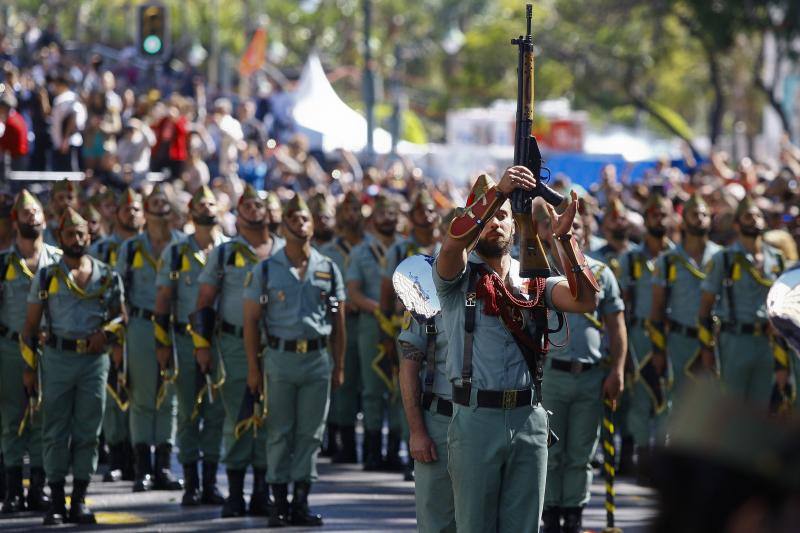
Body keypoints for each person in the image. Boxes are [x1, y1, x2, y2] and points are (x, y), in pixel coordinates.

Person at [434, 167, 599, 533]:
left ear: (514, 225)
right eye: (488, 218)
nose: (495, 223)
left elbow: (585, 300)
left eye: (503, 217)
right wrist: (499, 194)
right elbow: (452, 244)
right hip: (477, 417)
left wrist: (566, 240)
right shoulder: (456, 276)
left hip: (529, 416)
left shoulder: (532, 279)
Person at [243, 193, 346, 527]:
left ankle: (301, 500)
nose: (300, 224)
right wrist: (254, 368)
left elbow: (339, 322)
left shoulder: (327, 268)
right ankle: (279, 502)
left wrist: (339, 364)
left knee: (311, 433)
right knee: (279, 431)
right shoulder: (266, 269)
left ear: (313, 226)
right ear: (283, 226)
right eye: (293, 219)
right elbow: (251, 321)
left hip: (317, 358)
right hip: (280, 358)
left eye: (305, 219)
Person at [21, 207, 125, 525]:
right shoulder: (48, 276)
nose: (76, 239)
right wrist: (28, 369)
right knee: (54, 430)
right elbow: (30, 326)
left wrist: (105, 334)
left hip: (94, 361)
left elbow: (121, 317)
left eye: (81, 234)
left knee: (88, 431)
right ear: (59, 238)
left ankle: (79, 499)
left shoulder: (106, 275)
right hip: (57, 358)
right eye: (70, 234)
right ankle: (55, 499)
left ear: (89, 237)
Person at [192, 183, 284, 518]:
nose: (255, 211)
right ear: (238, 214)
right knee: (239, 415)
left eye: (260, 205)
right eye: (247, 206)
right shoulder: (225, 252)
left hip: (275, 345)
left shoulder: (285, 250)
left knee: (270, 418)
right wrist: (202, 347)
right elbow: (203, 301)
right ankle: (234, 493)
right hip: (232, 343)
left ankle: (262, 491)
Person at [535, 201, 626, 533]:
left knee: (582, 452)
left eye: (578, 231)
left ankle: (574, 513)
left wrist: (617, 369)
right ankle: (550, 513)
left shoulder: (601, 273)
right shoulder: (541, 272)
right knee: (550, 449)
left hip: (590, 375)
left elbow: (617, 326)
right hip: (553, 373)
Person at [154, 186, 228, 506]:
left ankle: (211, 481)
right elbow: (163, 301)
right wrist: (162, 346)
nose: (207, 208)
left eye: (212, 203)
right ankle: (191, 483)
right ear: (190, 212)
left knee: (216, 413)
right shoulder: (176, 252)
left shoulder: (231, 249)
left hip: (223, 341)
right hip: (185, 341)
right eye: (201, 203)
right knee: (187, 411)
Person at [115, 184, 184, 493]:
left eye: (163, 202)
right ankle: (142, 467)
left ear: (171, 209)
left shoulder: (183, 245)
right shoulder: (130, 248)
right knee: (142, 396)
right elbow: (117, 295)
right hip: (141, 325)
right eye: (153, 202)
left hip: (175, 325)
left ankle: (165, 466)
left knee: (168, 396)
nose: (158, 208)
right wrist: (118, 336)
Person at [0, 190, 60, 513]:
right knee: (12, 418)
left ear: (45, 219)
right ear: (15, 221)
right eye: (24, 212)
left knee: (44, 419)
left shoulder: (59, 260)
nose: (31, 216)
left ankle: (38, 487)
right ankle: (12, 491)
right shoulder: (3, 264)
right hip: (9, 348)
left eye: (36, 211)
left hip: (48, 350)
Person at [698, 196, 787, 407]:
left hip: (767, 341)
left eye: (758, 216)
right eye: (748, 216)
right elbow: (704, 307)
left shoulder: (777, 259)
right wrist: (706, 350)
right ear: (737, 224)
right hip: (735, 338)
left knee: (761, 407)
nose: (754, 220)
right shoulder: (724, 259)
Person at [380, 188, 441, 478]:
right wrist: (384, 327)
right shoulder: (400, 250)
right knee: (407, 384)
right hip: (407, 323)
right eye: (421, 212)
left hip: (440, 325)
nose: (426, 217)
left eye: (431, 212)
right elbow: (385, 292)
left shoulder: (446, 249)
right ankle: (406, 450)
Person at [88, 188, 143, 483]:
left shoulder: (150, 247)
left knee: (141, 393)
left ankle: (139, 459)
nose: (131, 214)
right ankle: (117, 456)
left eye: (137, 210)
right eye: (126, 209)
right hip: (109, 328)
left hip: (143, 327)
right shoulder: (101, 250)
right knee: (113, 394)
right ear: (116, 214)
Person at [618, 193, 674, 484]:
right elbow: (624, 305)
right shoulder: (632, 259)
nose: (658, 219)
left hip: (670, 335)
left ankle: (665, 457)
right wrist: (623, 347)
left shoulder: (677, 258)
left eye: (663, 213)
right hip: (640, 335)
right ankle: (643, 456)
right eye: (653, 214)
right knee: (640, 398)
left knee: (668, 399)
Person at [346, 194, 402, 471]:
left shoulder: (408, 248)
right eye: (383, 214)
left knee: (399, 387)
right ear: (373, 219)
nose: (388, 219)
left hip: (403, 324)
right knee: (372, 388)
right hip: (371, 324)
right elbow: (353, 291)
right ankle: (371, 450)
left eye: (393, 213)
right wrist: (378, 309)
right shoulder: (360, 251)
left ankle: (393, 449)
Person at [647, 194, 721, 402]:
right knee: (680, 405)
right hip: (681, 341)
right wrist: (658, 350)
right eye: (694, 214)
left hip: (717, 342)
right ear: (683, 219)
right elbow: (657, 308)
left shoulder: (721, 257)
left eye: (705, 214)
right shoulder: (669, 260)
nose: (700, 218)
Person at [398, 309, 456, 532]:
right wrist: (417, 432)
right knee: (436, 520)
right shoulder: (424, 300)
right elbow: (408, 370)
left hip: (486, 420)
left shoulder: (499, 291)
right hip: (440, 421)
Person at [318, 191, 364, 464]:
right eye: (347, 210)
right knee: (338, 380)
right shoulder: (326, 252)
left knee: (367, 383)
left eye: (356, 210)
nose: (351, 215)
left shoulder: (373, 246)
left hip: (363, 319)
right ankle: (337, 439)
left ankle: (361, 444)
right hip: (334, 320)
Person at [43, 179, 77, 246]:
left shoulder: (86, 228)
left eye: (70, 198)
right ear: (52, 202)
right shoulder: (45, 231)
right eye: (61, 198)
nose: (66, 202)